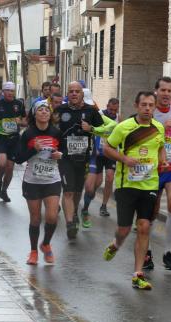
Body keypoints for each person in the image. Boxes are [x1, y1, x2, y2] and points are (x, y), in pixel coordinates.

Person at [102, 91, 167, 290]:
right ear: (137, 106)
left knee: (144, 226)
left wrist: (163, 159)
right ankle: (116, 243)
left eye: (151, 105)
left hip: (149, 185)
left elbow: (161, 147)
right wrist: (124, 159)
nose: (148, 108)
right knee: (124, 229)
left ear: (154, 107)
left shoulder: (159, 128)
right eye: (144, 105)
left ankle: (138, 273)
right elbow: (107, 147)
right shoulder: (125, 127)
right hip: (126, 185)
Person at [141, 77, 171, 271]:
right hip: (154, 168)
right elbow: (141, 136)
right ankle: (147, 251)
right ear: (156, 91)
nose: (166, 94)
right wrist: (161, 130)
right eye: (163, 90)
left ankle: (169, 252)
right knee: (151, 212)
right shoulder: (149, 111)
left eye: (170, 91)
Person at [54, 81, 103, 239]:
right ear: (67, 94)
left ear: (82, 94)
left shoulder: (91, 111)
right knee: (67, 191)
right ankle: (70, 224)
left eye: (77, 91)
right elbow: (49, 127)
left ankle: (74, 213)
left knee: (77, 191)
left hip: (84, 158)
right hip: (65, 157)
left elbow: (105, 130)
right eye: (71, 91)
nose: (74, 93)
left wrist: (92, 129)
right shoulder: (60, 110)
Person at [16, 102, 63, 265]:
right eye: (40, 110)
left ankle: (46, 243)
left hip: (52, 179)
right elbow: (18, 158)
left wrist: (59, 155)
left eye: (46, 110)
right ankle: (34, 251)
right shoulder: (28, 134)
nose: (44, 112)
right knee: (35, 219)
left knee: (51, 216)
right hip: (32, 181)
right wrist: (32, 150)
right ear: (34, 115)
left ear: (50, 115)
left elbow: (64, 152)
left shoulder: (56, 132)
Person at [81, 98, 119, 227]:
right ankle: (87, 203)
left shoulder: (119, 118)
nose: (113, 112)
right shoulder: (99, 115)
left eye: (115, 110)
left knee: (109, 177)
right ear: (106, 106)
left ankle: (103, 206)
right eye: (111, 109)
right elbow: (92, 131)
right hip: (97, 153)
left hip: (110, 153)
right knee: (93, 186)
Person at [0, 82, 27, 202]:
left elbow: (26, 120)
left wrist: (20, 122)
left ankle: (4, 190)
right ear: (3, 92)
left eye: (12, 91)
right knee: (2, 164)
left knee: (10, 167)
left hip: (14, 139)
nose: (10, 93)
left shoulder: (19, 104)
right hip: (1, 139)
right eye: (8, 91)